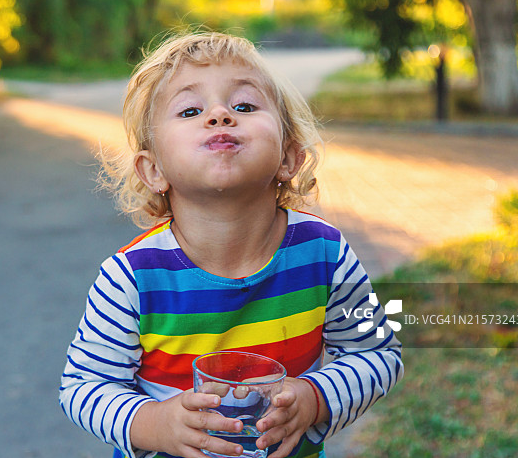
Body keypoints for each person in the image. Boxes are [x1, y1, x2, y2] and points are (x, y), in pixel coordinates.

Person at [58, 31, 403, 458]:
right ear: (153, 170)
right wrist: (155, 424)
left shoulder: (324, 254)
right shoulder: (133, 276)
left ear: (288, 157)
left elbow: (377, 354)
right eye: (190, 110)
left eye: (243, 106)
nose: (220, 115)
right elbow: (83, 387)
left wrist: (314, 400)